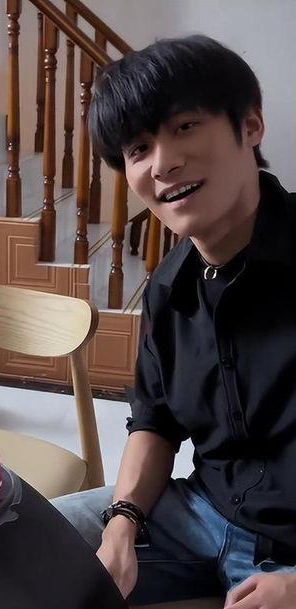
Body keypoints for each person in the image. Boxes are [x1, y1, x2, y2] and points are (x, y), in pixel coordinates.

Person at [52, 35, 296, 608]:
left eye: (185, 127)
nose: (163, 163)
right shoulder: (168, 286)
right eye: (139, 148)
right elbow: (155, 420)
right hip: (200, 514)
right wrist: (121, 525)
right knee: (16, 543)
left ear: (251, 126)